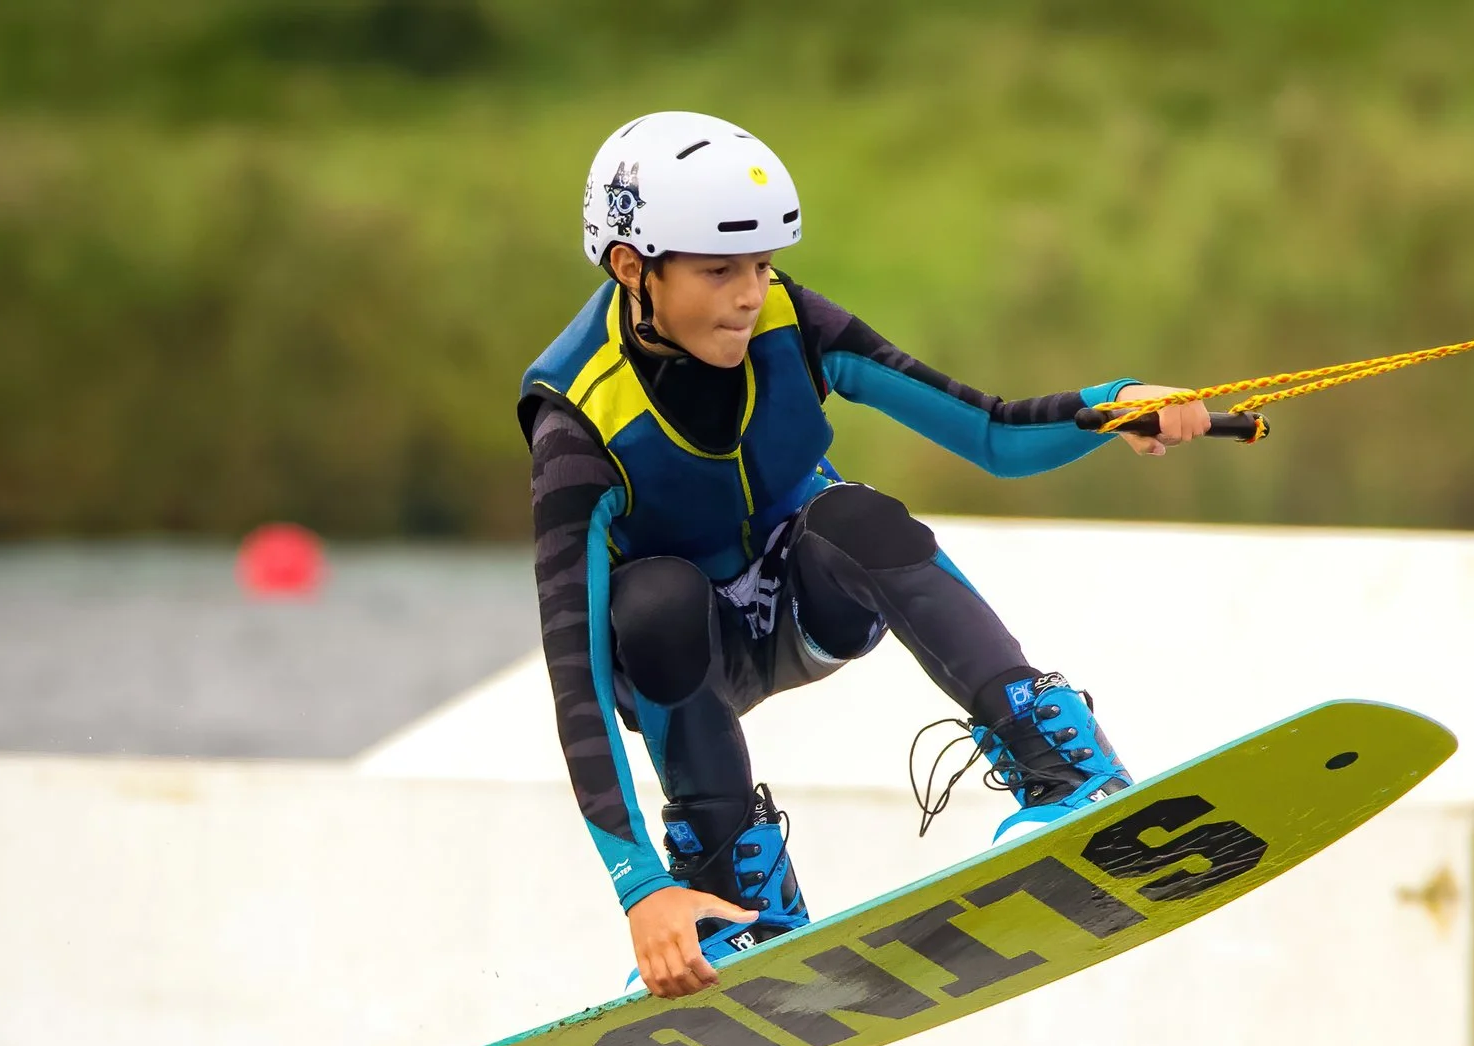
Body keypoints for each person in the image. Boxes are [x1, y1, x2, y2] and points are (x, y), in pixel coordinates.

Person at [521, 111, 1215, 999]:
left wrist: (1117, 403)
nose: (748, 295)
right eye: (719, 270)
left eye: (763, 265)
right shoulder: (576, 422)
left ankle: (1067, 765)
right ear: (632, 267)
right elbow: (574, 676)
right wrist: (640, 888)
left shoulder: (792, 323)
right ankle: (736, 888)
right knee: (649, 600)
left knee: (855, 512)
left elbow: (990, 431)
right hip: (683, 661)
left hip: (808, 608)